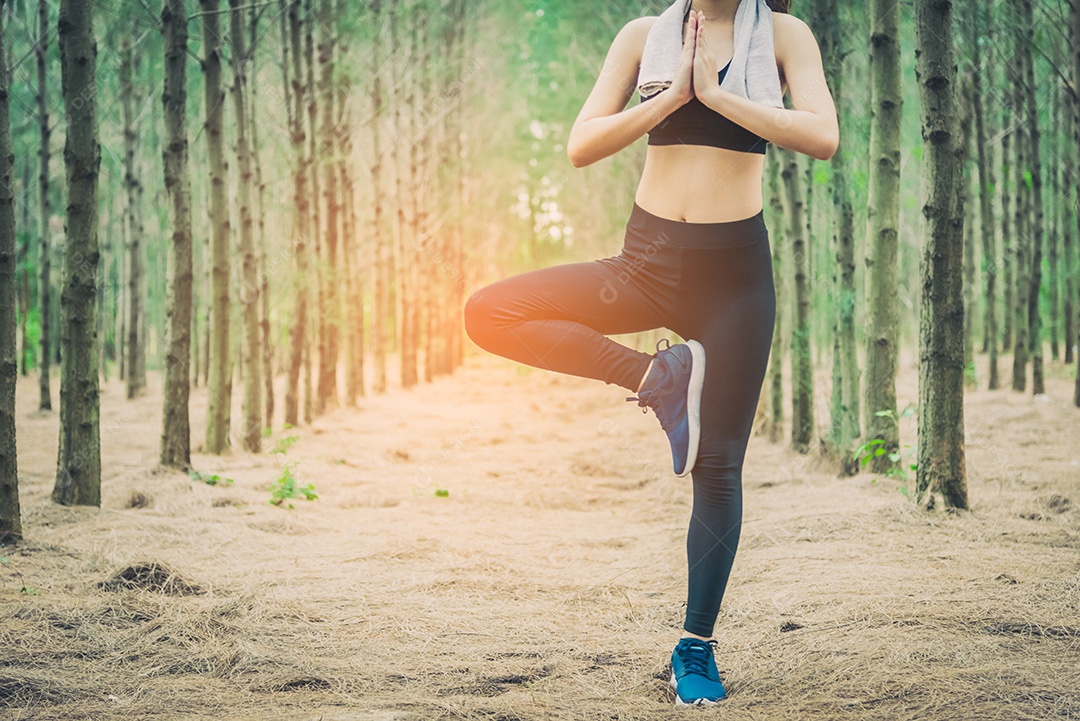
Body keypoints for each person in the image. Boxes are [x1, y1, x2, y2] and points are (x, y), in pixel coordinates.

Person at [464, 0, 837, 706]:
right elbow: (582, 143)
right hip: (647, 262)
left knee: (719, 465)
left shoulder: (786, 36)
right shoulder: (643, 37)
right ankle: (653, 376)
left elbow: (823, 135)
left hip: (735, 282)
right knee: (489, 311)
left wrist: (722, 97)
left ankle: (695, 648)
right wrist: (670, 99)